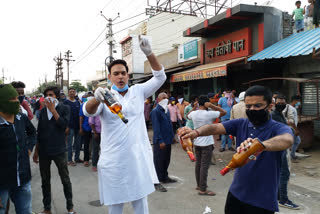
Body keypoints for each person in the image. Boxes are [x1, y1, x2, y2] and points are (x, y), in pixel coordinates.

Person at [179, 85, 294, 214]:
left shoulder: (278, 128)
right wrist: (195, 133)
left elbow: (287, 140)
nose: (252, 109)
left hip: (262, 200)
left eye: (257, 106)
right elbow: (214, 128)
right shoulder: (241, 124)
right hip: (236, 194)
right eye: (248, 106)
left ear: (270, 106)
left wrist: (260, 145)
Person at [83, 36, 165, 214]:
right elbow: (88, 111)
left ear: (127, 75)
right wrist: (96, 98)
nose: (120, 76)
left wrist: (149, 53)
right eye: (116, 73)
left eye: (123, 73)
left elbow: (160, 77)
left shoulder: (139, 91)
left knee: (141, 203)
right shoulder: (105, 96)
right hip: (114, 161)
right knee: (115, 205)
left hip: (137, 158)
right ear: (110, 77)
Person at [33, 86, 76, 214]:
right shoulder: (42, 111)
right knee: (45, 181)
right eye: (46, 95)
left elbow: (63, 125)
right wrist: (36, 151)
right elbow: (39, 132)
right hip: (44, 151)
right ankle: (47, 208)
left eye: (51, 95)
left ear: (56, 96)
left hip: (59, 150)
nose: (48, 97)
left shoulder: (64, 108)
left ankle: (70, 208)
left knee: (65, 180)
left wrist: (53, 110)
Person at [0, 84, 36, 214]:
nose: (17, 101)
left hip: (23, 179)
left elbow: (32, 133)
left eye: (17, 97)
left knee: (25, 211)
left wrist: (29, 149)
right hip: (2, 183)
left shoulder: (21, 118)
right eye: (12, 99)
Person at [187, 95, 226, 196]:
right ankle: (203, 189)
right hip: (207, 142)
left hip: (197, 142)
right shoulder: (209, 114)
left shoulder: (194, 113)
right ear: (206, 104)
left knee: (199, 164)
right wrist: (213, 106)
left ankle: (199, 185)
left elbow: (187, 116)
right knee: (204, 165)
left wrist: (195, 107)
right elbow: (224, 112)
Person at [271, 95, 300, 210]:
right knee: (284, 173)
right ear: (274, 103)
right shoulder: (274, 115)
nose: (281, 105)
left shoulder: (280, 114)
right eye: (279, 103)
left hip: (280, 147)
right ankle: (283, 199)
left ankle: (278, 196)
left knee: (280, 173)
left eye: (283, 103)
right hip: (279, 147)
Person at [150, 92, 176, 192]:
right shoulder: (155, 111)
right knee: (158, 162)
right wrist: (160, 141)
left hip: (168, 140)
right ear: (158, 99)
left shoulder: (166, 110)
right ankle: (156, 182)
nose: (166, 99)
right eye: (163, 97)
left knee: (166, 160)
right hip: (160, 141)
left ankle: (164, 177)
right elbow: (156, 128)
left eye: (167, 97)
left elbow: (169, 124)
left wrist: (172, 136)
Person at [64, 88, 81, 166]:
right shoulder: (65, 102)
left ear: (75, 93)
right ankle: (69, 160)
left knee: (78, 143)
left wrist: (81, 127)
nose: (72, 93)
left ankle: (77, 158)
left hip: (77, 126)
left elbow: (80, 115)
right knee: (69, 144)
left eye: (73, 92)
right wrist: (66, 126)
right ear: (68, 93)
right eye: (70, 92)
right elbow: (64, 115)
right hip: (69, 127)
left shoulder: (77, 102)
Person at [283, 95, 301, 161]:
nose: (299, 103)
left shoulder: (290, 107)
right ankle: (291, 156)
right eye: (299, 101)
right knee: (297, 141)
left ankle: (292, 155)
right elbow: (291, 121)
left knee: (296, 141)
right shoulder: (291, 108)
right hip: (291, 128)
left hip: (290, 128)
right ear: (295, 101)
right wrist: (296, 130)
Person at [79, 93, 93, 167]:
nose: (90, 97)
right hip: (86, 127)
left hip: (96, 128)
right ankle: (86, 159)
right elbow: (81, 117)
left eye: (92, 95)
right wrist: (81, 128)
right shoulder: (83, 105)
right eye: (89, 96)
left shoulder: (97, 104)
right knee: (86, 144)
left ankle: (94, 159)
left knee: (96, 145)